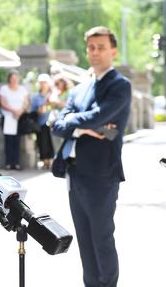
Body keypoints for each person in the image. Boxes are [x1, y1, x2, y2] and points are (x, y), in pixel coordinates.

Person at [52, 26, 131, 287]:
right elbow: (56, 124)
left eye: (101, 47)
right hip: (75, 174)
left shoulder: (120, 86)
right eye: (91, 48)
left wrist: (74, 122)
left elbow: (99, 116)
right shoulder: (79, 89)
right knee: (84, 242)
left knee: (102, 240)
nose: (95, 52)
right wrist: (83, 126)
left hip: (101, 175)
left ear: (113, 51)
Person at [0, 69, 29, 170]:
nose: (14, 80)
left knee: (17, 140)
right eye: (12, 78)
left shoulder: (22, 89)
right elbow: (2, 103)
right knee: (8, 141)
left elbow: (26, 102)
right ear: (9, 79)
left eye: (16, 78)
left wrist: (20, 111)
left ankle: (16, 163)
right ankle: (8, 163)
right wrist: (13, 111)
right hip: (8, 117)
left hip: (19, 117)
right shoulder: (4, 89)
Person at [30, 73, 55, 169]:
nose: (43, 84)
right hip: (41, 123)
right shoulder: (36, 97)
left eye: (44, 82)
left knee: (52, 142)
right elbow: (32, 111)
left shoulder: (53, 94)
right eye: (41, 83)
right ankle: (45, 161)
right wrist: (39, 110)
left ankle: (52, 160)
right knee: (43, 143)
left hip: (53, 123)